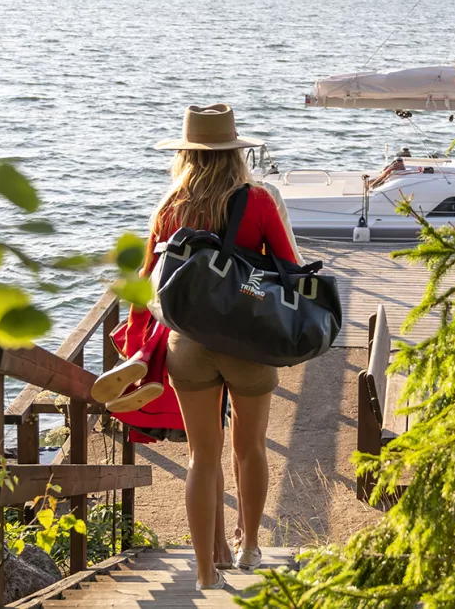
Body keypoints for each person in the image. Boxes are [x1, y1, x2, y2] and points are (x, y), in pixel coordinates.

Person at [145, 103, 299, 591]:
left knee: (200, 456)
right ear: (236, 152)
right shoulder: (256, 201)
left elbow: (147, 282)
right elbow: (290, 268)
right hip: (247, 341)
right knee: (250, 448)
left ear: (186, 154)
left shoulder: (171, 205)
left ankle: (208, 569)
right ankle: (250, 546)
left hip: (188, 343)